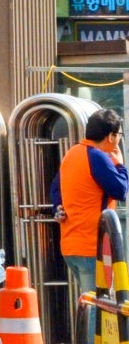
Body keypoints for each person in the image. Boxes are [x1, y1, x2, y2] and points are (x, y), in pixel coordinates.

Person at [52, 108, 129, 298]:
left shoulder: (72, 153)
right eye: (119, 134)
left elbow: (55, 189)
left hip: (71, 245)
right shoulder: (98, 157)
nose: (119, 139)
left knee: (92, 305)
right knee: (97, 307)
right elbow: (121, 190)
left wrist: (58, 208)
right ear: (110, 136)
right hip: (93, 247)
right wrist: (119, 164)